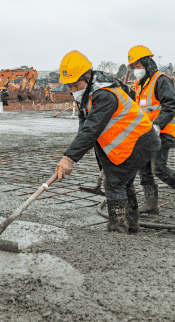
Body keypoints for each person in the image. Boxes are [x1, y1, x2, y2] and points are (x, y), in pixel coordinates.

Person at [55, 50, 160, 233]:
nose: (72, 90)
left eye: (75, 84)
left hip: (138, 142)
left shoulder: (104, 94)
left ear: (87, 76)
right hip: (134, 142)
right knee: (124, 182)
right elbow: (85, 121)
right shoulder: (88, 91)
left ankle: (118, 230)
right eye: (69, 86)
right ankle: (132, 227)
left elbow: (92, 128)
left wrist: (69, 158)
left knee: (114, 183)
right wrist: (83, 144)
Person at [127, 45, 175, 216]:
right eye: (133, 67)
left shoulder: (161, 80)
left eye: (138, 66)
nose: (136, 70)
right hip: (144, 134)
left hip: (161, 132)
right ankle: (151, 203)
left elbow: (170, 105)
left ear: (147, 63)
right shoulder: (140, 85)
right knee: (143, 169)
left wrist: (158, 125)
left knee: (158, 168)